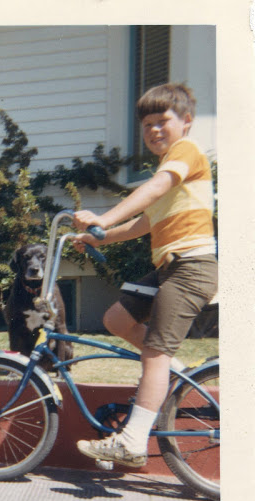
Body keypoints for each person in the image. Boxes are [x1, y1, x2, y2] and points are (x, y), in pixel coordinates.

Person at [71, 83, 217, 468]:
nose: (153, 129)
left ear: (186, 121)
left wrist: (103, 218)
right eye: (147, 124)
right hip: (169, 267)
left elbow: (155, 188)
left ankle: (132, 442)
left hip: (192, 266)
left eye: (162, 121)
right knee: (116, 319)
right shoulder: (168, 168)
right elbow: (143, 223)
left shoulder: (185, 152)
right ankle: (175, 373)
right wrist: (97, 236)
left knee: (154, 352)